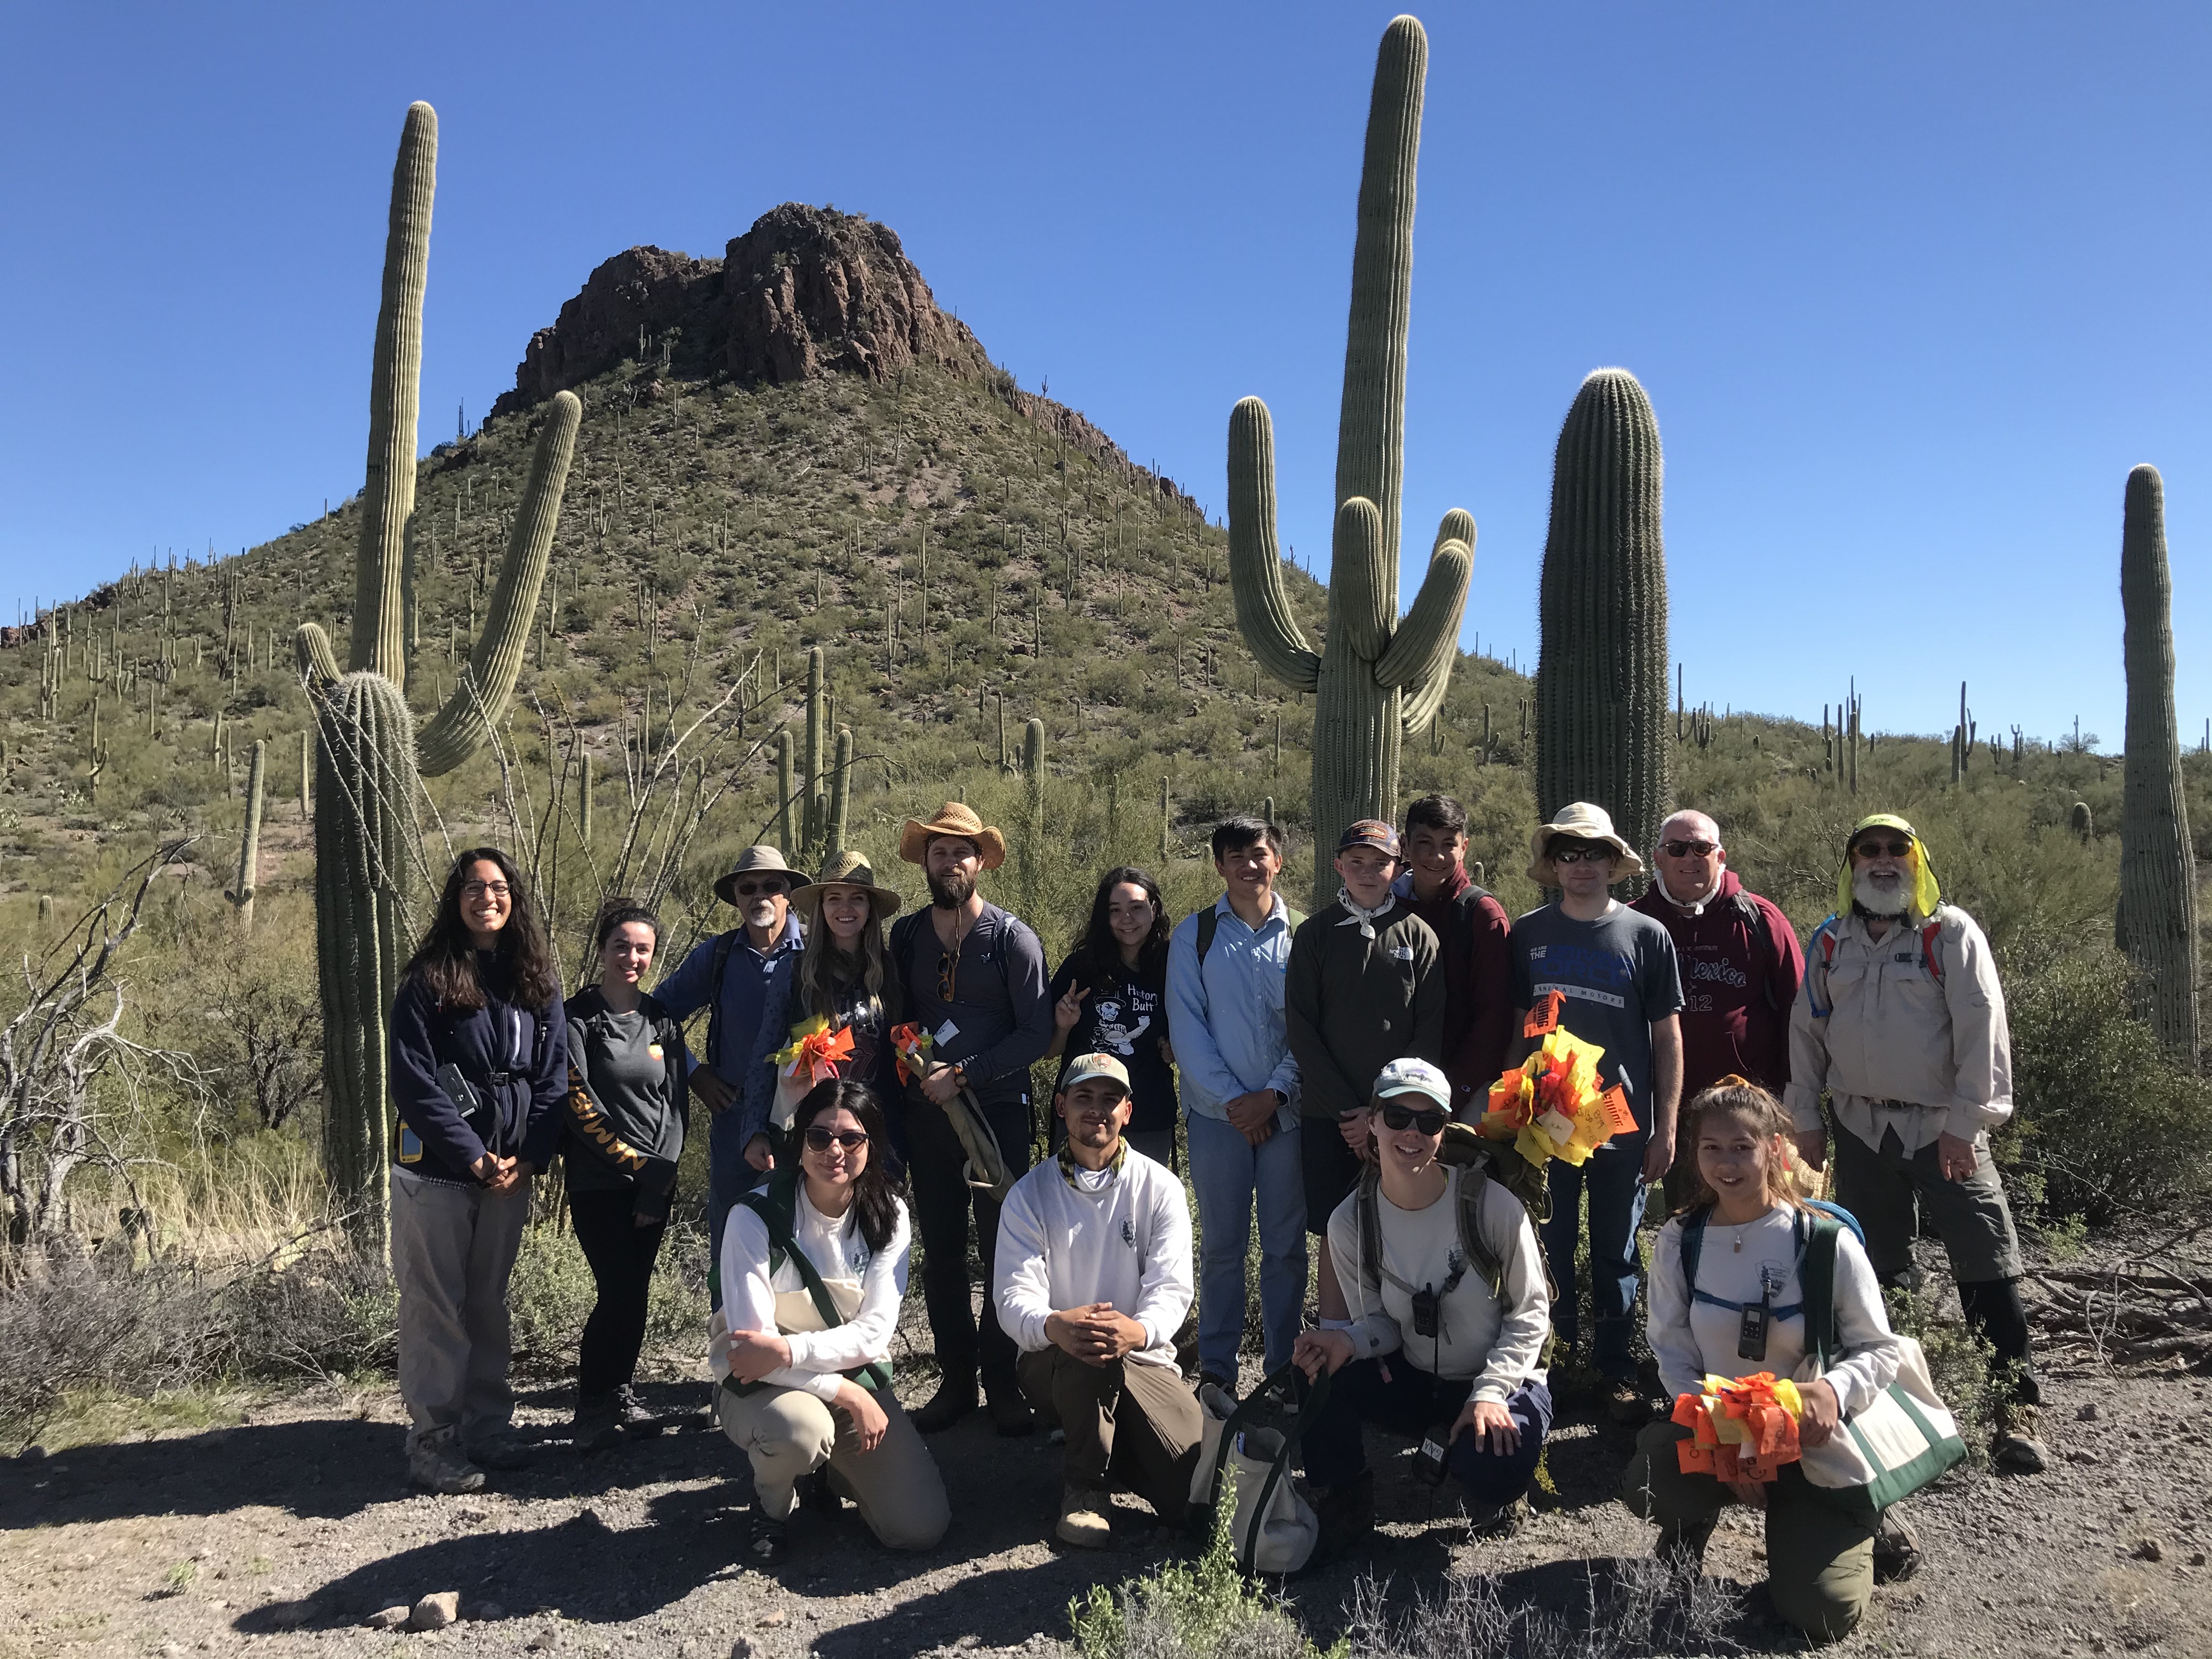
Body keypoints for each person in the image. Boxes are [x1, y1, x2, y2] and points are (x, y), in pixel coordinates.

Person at [1785, 814, 2045, 1472]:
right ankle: (1900, 1411)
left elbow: (1984, 1024)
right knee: (1877, 1271)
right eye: (1867, 850)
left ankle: (2014, 1411)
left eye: (1895, 850)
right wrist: (1806, 1120)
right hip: (1859, 1125)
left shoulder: (1947, 933)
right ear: (1851, 865)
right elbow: (1807, 1034)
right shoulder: (1829, 942)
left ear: (1916, 861)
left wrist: (1968, 1123)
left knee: (1985, 1263)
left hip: (1942, 1127)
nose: (1881, 860)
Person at [1624, 1080, 1904, 1644]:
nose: (1727, 1164)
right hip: (1724, 1429)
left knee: (1821, 1613)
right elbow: (1672, 1350)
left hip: (1811, 1441)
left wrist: (1835, 1389)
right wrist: (1727, 1440)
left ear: (1775, 1150)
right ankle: (1691, 1524)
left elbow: (1880, 1349)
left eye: (1743, 1147)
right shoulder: (1682, 1241)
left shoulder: (1823, 1241)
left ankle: (1864, 1520)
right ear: (1693, 1152)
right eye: (1712, 1148)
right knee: (1653, 1478)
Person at [1294, 1059, 1552, 1549]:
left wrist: (1491, 1391)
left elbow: (1531, 1312)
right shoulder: (1350, 1221)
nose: (1411, 1133)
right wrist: (1344, 1341)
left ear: (1443, 1131)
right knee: (1318, 1371)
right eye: (1396, 1117)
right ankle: (1347, 1497)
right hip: (1417, 1380)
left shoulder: (1490, 1206)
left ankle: (1497, 1489)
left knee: (1494, 1463)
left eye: (1429, 1121)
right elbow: (1380, 1325)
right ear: (1371, 1122)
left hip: (1499, 1382)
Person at [387, 847, 568, 1493]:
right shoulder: (428, 979)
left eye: (497, 887)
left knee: (489, 1302)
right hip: (438, 1172)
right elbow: (412, 1081)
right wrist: (471, 1152)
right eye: (472, 888)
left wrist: (532, 1153)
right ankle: (434, 1441)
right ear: (454, 900)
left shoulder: (535, 981)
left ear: (514, 898)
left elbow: (553, 1079)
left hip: (510, 1172)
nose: (485, 898)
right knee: (435, 1306)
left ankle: (488, 1426)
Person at [713, 1079, 949, 1564]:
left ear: (873, 1146)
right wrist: (849, 1393)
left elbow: (874, 1334)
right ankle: (771, 1505)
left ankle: (831, 1470)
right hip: (764, 1386)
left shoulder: (890, 1215)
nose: (833, 1150)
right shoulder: (753, 1217)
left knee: (920, 1527)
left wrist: (795, 1352)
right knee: (798, 1431)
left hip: (831, 1369)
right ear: (799, 1143)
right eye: (819, 1137)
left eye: (851, 1139)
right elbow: (755, 1355)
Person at [1506, 802, 1684, 1424]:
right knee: (1546, 1246)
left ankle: (1612, 1367)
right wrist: (1509, 1111)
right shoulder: (1528, 934)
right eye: (1568, 854)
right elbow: (1516, 1027)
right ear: (1553, 865)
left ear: (1614, 863)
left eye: (1593, 854)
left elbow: (1667, 1038)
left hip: (1620, 1123)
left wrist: (1667, 1127)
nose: (1581, 865)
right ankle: (1551, 1362)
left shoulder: (1645, 936)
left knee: (1616, 1248)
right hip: (1545, 1124)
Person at [888, 802, 1054, 1435]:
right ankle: (956, 1383)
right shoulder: (906, 936)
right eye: (938, 851)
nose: (950, 861)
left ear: (980, 861)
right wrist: (918, 1069)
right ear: (925, 862)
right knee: (944, 1253)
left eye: (961, 851)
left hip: (997, 1112)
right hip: (926, 1115)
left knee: (1003, 1252)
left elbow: (1036, 1033)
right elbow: (895, 1013)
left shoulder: (1013, 939)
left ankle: (1003, 1382)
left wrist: (963, 1074)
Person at [994, 1053, 1201, 1549]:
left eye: (1111, 1099)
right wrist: (1054, 1326)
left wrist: (1140, 1331)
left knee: (1194, 1498)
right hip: (1054, 1361)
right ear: (1062, 1106)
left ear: (1128, 1111)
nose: (1097, 1110)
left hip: (1142, 1360)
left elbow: (1172, 1287)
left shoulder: (1160, 1187)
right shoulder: (1029, 1195)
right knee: (1086, 1345)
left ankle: (1115, 1446)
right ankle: (1085, 1490)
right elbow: (1011, 1296)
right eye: (1084, 1098)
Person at [1166, 815, 1307, 1391]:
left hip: (1288, 1116)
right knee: (1222, 1248)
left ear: (1277, 860)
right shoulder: (1193, 935)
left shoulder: (1305, 933)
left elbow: (1310, 1029)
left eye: (1259, 854)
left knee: (1285, 1249)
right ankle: (1219, 1374)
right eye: (1236, 856)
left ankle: (1282, 1371)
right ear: (1219, 864)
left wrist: (1272, 1096)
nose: (1249, 865)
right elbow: (1188, 1030)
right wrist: (1237, 1104)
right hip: (1217, 1120)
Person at [1287, 819, 1444, 1332]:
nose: (1368, 871)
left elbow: (1428, 1030)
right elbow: (1302, 1030)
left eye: (1380, 862)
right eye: (1356, 861)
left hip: (1401, 1121)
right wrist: (1349, 1115)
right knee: (1334, 1231)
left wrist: (1380, 1115)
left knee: (1395, 1226)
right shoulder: (1314, 934)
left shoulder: (1418, 935)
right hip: (1329, 1118)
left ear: (1396, 869)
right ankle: (1334, 1342)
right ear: (1338, 865)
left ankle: (1392, 1343)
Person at [563, 899, 690, 1453]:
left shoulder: (662, 1019)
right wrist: (638, 1169)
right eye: (621, 946)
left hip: (653, 1185)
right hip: (600, 1182)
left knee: (635, 1292)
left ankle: (620, 1394)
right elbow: (579, 1104)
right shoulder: (577, 1018)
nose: (631, 957)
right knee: (616, 1289)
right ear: (602, 949)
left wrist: (660, 1179)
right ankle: (592, 1404)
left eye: (643, 949)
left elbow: (676, 1106)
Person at [1630, 809, 1805, 1208]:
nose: (1689, 857)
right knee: (1686, 1211)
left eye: (1702, 848)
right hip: (1665, 1107)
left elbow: (1798, 1014)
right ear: (1658, 858)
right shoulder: (1633, 921)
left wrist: (1797, 1100)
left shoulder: (1760, 919)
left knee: (1755, 1208)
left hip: (1749, 1106)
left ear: (1721, 857)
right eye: (1677, 849)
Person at [653, 847, 804, 1273]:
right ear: (736, 898)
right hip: (735, 1117)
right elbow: (657, 1013)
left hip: (806, 1119)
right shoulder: (717, 957)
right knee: (734, 1234)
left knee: (803, 1235)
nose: (760, 896)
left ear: (788, 893)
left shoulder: (815, 948)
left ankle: (796, 1337)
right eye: (748, 888)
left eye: (771, 886)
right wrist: (694, 1072)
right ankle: (730, 1333)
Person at [739, 850, 905, 1176]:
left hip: (877, 1133)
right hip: (811, 1136)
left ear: (870, 908)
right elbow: (766, 1050)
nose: (846, 908)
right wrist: (755, 1130)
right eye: (834, 899)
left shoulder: (889, 971)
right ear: (821, 908)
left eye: (857, 898)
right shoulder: (796, 970)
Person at [1393, 795, 1515, 1119]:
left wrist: (1453, 1093)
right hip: (1391, 1087)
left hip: (1461, 1092)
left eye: (1449, 843)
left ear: (1465, 848)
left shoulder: (1481, 915)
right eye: (1425, 842)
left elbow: (1494, 1018)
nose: (1437, 856)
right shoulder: (1383, 907)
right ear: (1405, 844)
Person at [1046, 866, 1177, 1168]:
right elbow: (1049, 1048)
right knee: (1072, 1204)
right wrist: (1064, 1027)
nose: (1126, 919)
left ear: (1154, 909)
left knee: (1142, 1208)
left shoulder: (1173, 966)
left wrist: (1175, 1048)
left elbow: (1192, 1030)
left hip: (1148, 1114)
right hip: (1083, 1117)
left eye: (1136, 908)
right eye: (1115, 910)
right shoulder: (1082, 967)